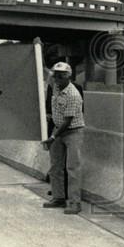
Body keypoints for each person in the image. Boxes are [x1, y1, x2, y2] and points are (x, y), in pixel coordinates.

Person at [42, 61, 84, 214]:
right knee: (55, 167)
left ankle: (74, 202)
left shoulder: (73, 94)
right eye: (55, 76)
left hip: (72, 131)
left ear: (68, 77)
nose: (56, 79)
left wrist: (52, 137)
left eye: (60, 76)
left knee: (72, 167)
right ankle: (59, 198)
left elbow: (68, 121)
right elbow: (44, 71)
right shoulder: (55, 89)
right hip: (57, 130)